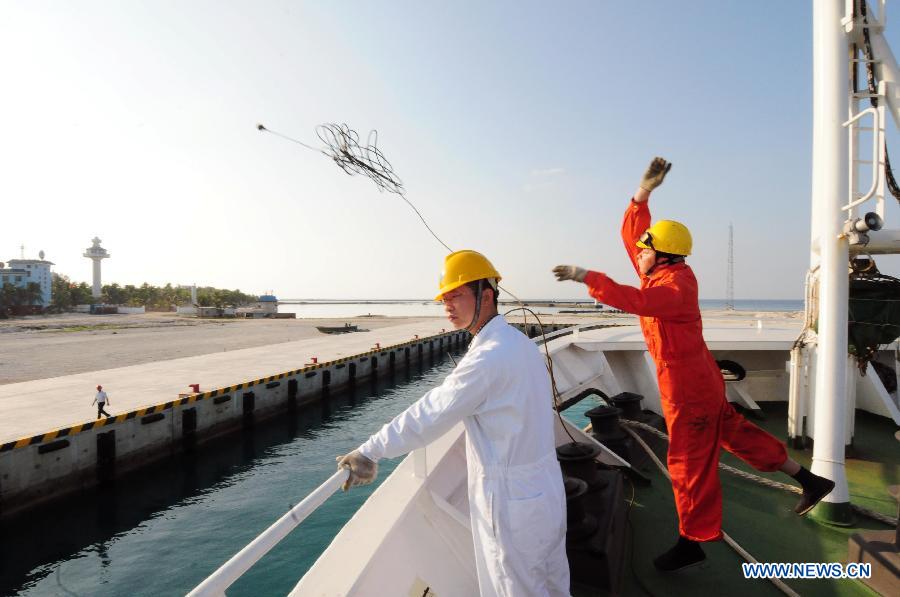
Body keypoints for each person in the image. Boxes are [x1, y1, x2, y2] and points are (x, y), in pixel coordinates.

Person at [553, 157, 835, 572]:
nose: (639, 252)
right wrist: (642, 192)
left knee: (688, 466)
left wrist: (587, 275)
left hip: (689, 391)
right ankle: (810, 480)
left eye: (646, 249)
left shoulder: (675, 287)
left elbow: (638, 301)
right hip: (697, 382)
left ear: (662, 255)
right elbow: (634, 234)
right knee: (736, 435)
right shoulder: (658, 270)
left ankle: (694, 539)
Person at [337, 250, 570, 596]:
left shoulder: (489, 357)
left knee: (517, 589)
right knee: (552, 582)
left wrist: (370, 450)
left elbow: (431, 413)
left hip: (512, 501)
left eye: (456, 295)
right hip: (545, 488)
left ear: (486, 296)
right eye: (444, 299)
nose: (447, 305)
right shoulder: (518, 344)